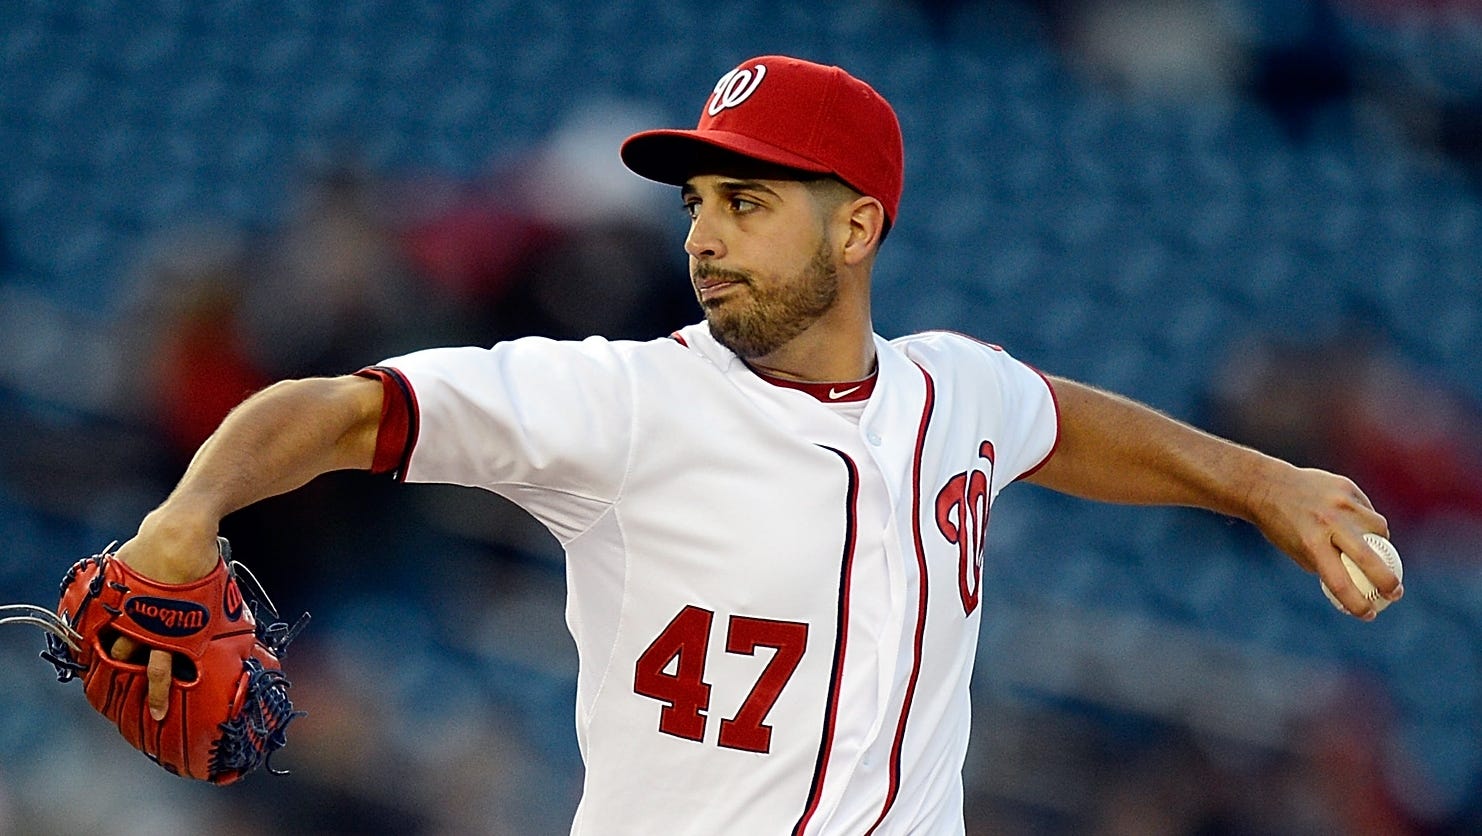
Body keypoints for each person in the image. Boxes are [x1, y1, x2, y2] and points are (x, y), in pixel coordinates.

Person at [107, 55, 1398, 834]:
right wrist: (185, 519)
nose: (702, 236)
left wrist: (1256, 480)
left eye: (747, 201)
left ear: (855, 230)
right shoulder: (616, 401)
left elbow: (1054, 422)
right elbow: (332, 408)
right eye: (696, 203)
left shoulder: (953, 390)